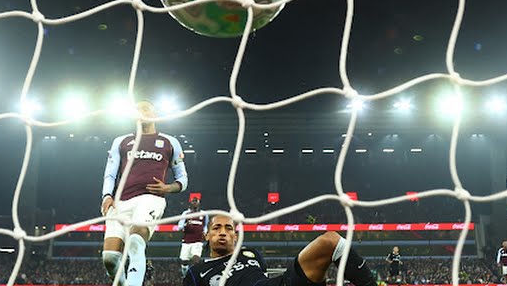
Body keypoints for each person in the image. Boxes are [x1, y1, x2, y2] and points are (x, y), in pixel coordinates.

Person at [101, 100, 189, 286]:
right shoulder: (121, 141)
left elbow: (182, 178)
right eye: (137, 110)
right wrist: (107, 195)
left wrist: (168, 188)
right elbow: (110, 173)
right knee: (110, 258)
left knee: (135, 241)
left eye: (145, 109)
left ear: (155, 114)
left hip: (151, 199)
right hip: (120, 202)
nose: (141, 112)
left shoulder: (170, 142)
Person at [184, 214, 377, 286]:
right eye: (216, 228)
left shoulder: (250, 254)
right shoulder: (196, 272)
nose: (223, 232)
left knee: (330, 240)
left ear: (236, 236)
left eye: (228, 228)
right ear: (206, 235)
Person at [177, 197, 208, 278]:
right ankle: (185, 276)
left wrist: (205, 232)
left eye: (196, 201)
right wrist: (185, 225)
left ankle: (196, 276)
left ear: (199, 203)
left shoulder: (204, 214)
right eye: (193, 201)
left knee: (196, 259)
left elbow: (205, 225)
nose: (195, 203)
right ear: (190, 203)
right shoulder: (186, 213)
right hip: (186, 241)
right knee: (184, 261)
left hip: (198, 241)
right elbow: (179, 227)